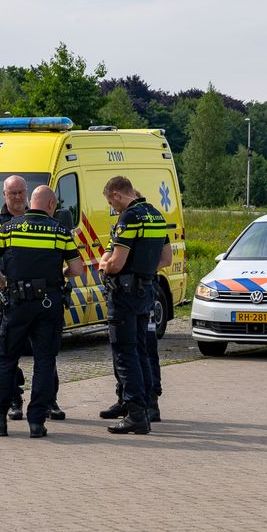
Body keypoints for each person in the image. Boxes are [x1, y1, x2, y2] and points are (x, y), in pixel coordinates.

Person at [0, 186, 85, 438]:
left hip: (17, 303)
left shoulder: (9, 229)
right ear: (51, 205)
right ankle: (37, 422)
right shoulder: (60, 231)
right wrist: (60, 274)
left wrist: (2, 281)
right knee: (45, 361)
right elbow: (77, 269)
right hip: (49, 304)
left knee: (7, 359)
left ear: (30, 201)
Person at [0, 175, 64, 422]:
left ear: (27, 193)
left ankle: (49, 400)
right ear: (4, 195)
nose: (17, 197)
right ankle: (15, 399)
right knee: (9, 352)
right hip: (7, 297)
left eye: (21, 192)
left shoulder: (38, 217)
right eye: (12, 193)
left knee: (44, 352)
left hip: (40, 297)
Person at [97, 176, 170, 434]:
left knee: (125, 353)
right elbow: (166, 258)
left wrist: (105, 267)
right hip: (146, 291)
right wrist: (144, 271)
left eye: (111, 202)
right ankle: (147, 406)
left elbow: (116, 263)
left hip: (125, 295)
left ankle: (136, 413)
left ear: (117, 194)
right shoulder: (156, 216)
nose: (113, 208)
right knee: (141, 350)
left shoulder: (129, 218)